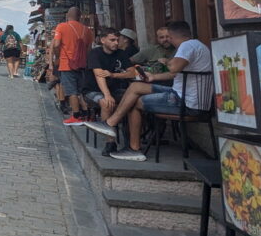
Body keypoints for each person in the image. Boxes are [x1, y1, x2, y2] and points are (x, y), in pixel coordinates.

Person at [86, 21, 213, 162]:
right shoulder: (199, 45)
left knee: (135, 103)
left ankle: (133, 148)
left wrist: (166, 61)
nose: (167, 40)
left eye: (168, 37)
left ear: (172, 36)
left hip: (185, 102)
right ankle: (111, 123)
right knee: (136, 87)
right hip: (186, 96)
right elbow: (173, 75)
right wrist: (153, 77)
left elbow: (173, 68)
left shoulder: (187, 46)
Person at [81, 28, 137, 155]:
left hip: (115, 89)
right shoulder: (95, 53)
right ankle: (110, 142)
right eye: (112, 40)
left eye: (117, 40)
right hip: (92, 90)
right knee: (106, 102)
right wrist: (107, 95)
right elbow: (99, 76)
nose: (116, 43)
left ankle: (132, 143)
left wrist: (113, 75)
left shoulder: (121, 54)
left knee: (135, 102)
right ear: (103, 40)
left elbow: (132, 72)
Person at [53, 7, 94, 126]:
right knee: (81, 91)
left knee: (72, 91)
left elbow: (56, 44)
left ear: (67, 15)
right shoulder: (86, 30)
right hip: (82, 65)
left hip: (67, 64)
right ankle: (87, 114)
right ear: (80, 16)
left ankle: (76, 116)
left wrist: (58, 58)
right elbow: (89, 49)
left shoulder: (61, 26)